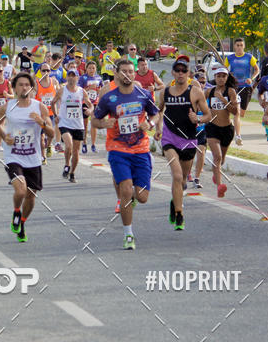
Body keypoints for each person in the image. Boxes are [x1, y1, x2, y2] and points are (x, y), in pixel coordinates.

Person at [92, 59, 160, 250]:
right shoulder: (109, 98)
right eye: (124, 71)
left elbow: (156, 114)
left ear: (134, 73)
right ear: (117, 74)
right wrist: (103, 123)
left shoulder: (143, 95)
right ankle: (128, 234)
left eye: (130, 71)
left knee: (142, 197)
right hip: (118, 149)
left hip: (141, 149)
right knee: (126, 191)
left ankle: (139, 182)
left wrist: (150, 124)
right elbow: (94, 120)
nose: (127, 75)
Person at [0, 73, 54, 242]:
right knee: (21, 190)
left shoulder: (39, 107)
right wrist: (4, 136)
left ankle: (22, 222)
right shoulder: (7, 107)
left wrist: (41, 122)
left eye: (27, 85)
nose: (24, 88)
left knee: (31, 196)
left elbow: (51, 133)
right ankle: (16, 212)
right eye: (20, 85)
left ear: (32, 88)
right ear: (14, 88)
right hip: (13, 156)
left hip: (33, 157)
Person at [155, 56, 211, 230]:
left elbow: (208, 115)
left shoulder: (196, 92)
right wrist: (157, 127)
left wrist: (198, 119)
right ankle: (179, 214)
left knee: (183, 181)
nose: (180, 73)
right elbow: (158, 111)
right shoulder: (165, 92)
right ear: (173, 72)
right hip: (169, 138)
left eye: (183, 70)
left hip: (189, 139)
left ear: (189, 74)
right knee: (177, 176)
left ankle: (175, 202)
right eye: (177, 70)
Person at [51, 69, 93, 183]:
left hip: (78, 124)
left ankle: (72, 173)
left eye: (73, 76)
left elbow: (90, 104)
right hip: (64, 122)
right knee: (68, 145)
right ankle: (67, 164)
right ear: (67, 78)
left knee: (76, 151)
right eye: (69, 75)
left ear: (77, 78)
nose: (71, 78)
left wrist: (90, 110)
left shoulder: (81, 91)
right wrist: (55, 115)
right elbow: (53, 102)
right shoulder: (62, 90)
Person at [205, 66, 239, 198]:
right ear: (214, 77)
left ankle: (216, 173)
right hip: (212, 127)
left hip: (227, 129)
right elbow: (199, 102)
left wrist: (223, 99)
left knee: (221, 159)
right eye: (218, 76)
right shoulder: (209, 91)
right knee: (217, 157)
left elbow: (235, 111)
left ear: (227, 77)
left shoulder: (230, 91)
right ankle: (220, 186)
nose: (220, 79)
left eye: (223, 76)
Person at [224, 38, 259, 146]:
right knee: (237, 112)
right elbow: (224, 71)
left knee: (241, 113)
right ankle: (238, 136)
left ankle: (233, 122)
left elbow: (257, 70)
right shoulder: (229, 58)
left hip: (246, 87)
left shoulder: (249, 57)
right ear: (234, 46)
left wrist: (251, 79)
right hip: (234, 88)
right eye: (237, 45)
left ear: (244, 46)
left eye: (241, 45)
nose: (239, 47)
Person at [34, 63, 59, 163]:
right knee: (41, 136)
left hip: (51, 113)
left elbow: (58, 95)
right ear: (40, 71)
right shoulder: (36, 83)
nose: (46, 72)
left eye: (48, 70)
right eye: (43, 70)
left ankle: (48, 146)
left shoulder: (54, 81)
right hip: (40, 114)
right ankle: (43, 156)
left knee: (51, 135)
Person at [78, 61, 104, 153]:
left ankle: (93, 144)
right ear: (86, 69)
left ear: (96, 69)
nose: (91, 70)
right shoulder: (83, 78)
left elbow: (102, 90)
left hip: (95, 103)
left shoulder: (98, 78)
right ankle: (84, 143)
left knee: (94, 123)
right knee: (85, 124)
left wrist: (99, 91)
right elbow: (79, 90)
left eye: (93, 68)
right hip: (85, 103)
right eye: (89, 68)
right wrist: (89, 88)